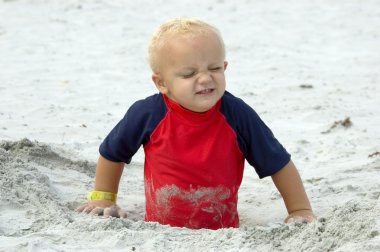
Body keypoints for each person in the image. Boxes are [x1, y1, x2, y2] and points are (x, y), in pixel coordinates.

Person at [76, 17, 315, 229]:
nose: (205, 78)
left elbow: (279, 163)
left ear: (225, 67)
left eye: (214, 68)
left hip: (223, 232)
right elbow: (112, 153)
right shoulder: (148, 113)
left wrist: (299, 210)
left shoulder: (238, 116)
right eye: (189, 74)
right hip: (161, 231)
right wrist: (104, 197)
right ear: (161, 83)